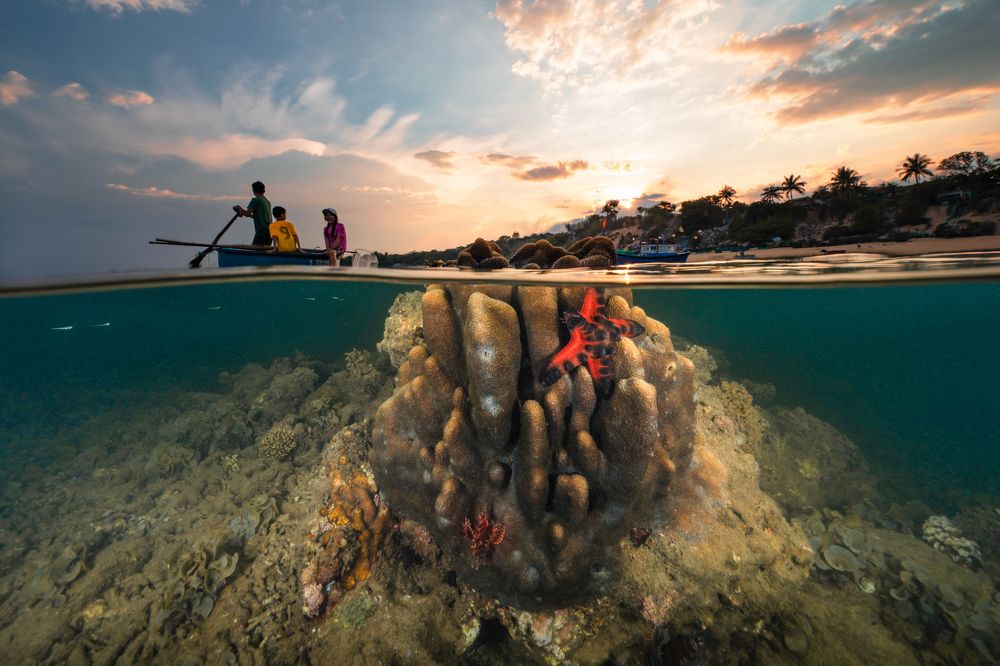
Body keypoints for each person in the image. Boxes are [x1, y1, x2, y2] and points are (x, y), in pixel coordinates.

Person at [232, 181, 272, 246]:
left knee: (254, 251)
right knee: (263, 252)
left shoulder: (255, 200)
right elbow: (257, 216)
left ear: (254, 190)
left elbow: (247, 213)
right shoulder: (267, 202)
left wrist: (239, 208)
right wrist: (243, 212)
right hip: (270, 232)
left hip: (262, 232)